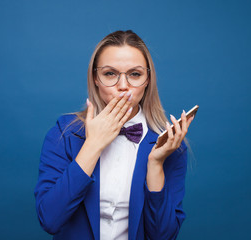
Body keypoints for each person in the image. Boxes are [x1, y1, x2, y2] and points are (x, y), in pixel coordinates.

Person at [34, 30, 194, 240]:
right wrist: (93, 145)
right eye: (110, 73)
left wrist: (155, 164)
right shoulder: (64, 133)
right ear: (95, 78)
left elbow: (163, 236)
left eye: (135, 74)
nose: (123, 86)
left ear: (147, 80)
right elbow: (50, 219)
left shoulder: (169, 145)